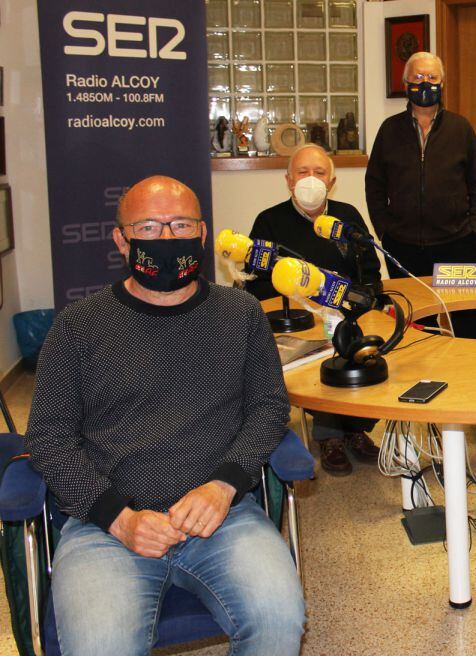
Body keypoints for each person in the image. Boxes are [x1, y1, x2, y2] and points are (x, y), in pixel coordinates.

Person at [25, 175, 305, 655]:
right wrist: (118, 518)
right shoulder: (77, 328)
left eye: (180, 225)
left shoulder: (241, 313)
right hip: (107, 525)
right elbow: (49, 440)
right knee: (100, 645)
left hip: (222, 517)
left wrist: (224, 485)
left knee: (279, 619)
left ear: (201, 232)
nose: (168, 239)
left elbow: (268, 407)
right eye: (149, 228)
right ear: (121, 239)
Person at [247, 143, 384, 476]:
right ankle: (330, 435)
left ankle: (356, 426)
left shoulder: (347, 216)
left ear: (332, 182)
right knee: (325, 352)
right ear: (288, 180)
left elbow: (370, 271)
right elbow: (256, 285)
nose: (311, 179)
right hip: (298, 319)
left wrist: (364, 301)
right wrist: (305, 297)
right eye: (302, 172)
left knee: (369, 344)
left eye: (319, 173)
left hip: (346, 312)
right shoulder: (269, 222)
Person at [365, 51, 476, 338]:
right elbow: (374, 184)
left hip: (457, 246)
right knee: (418, 327)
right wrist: (385, 230)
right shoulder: (389, 130)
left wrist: (475, 230)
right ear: (405, 82)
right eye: (418, 77)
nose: (425, 84)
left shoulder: (461, 128)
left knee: (468, 321)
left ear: (442, 82)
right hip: (404, 248)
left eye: (432, 77)